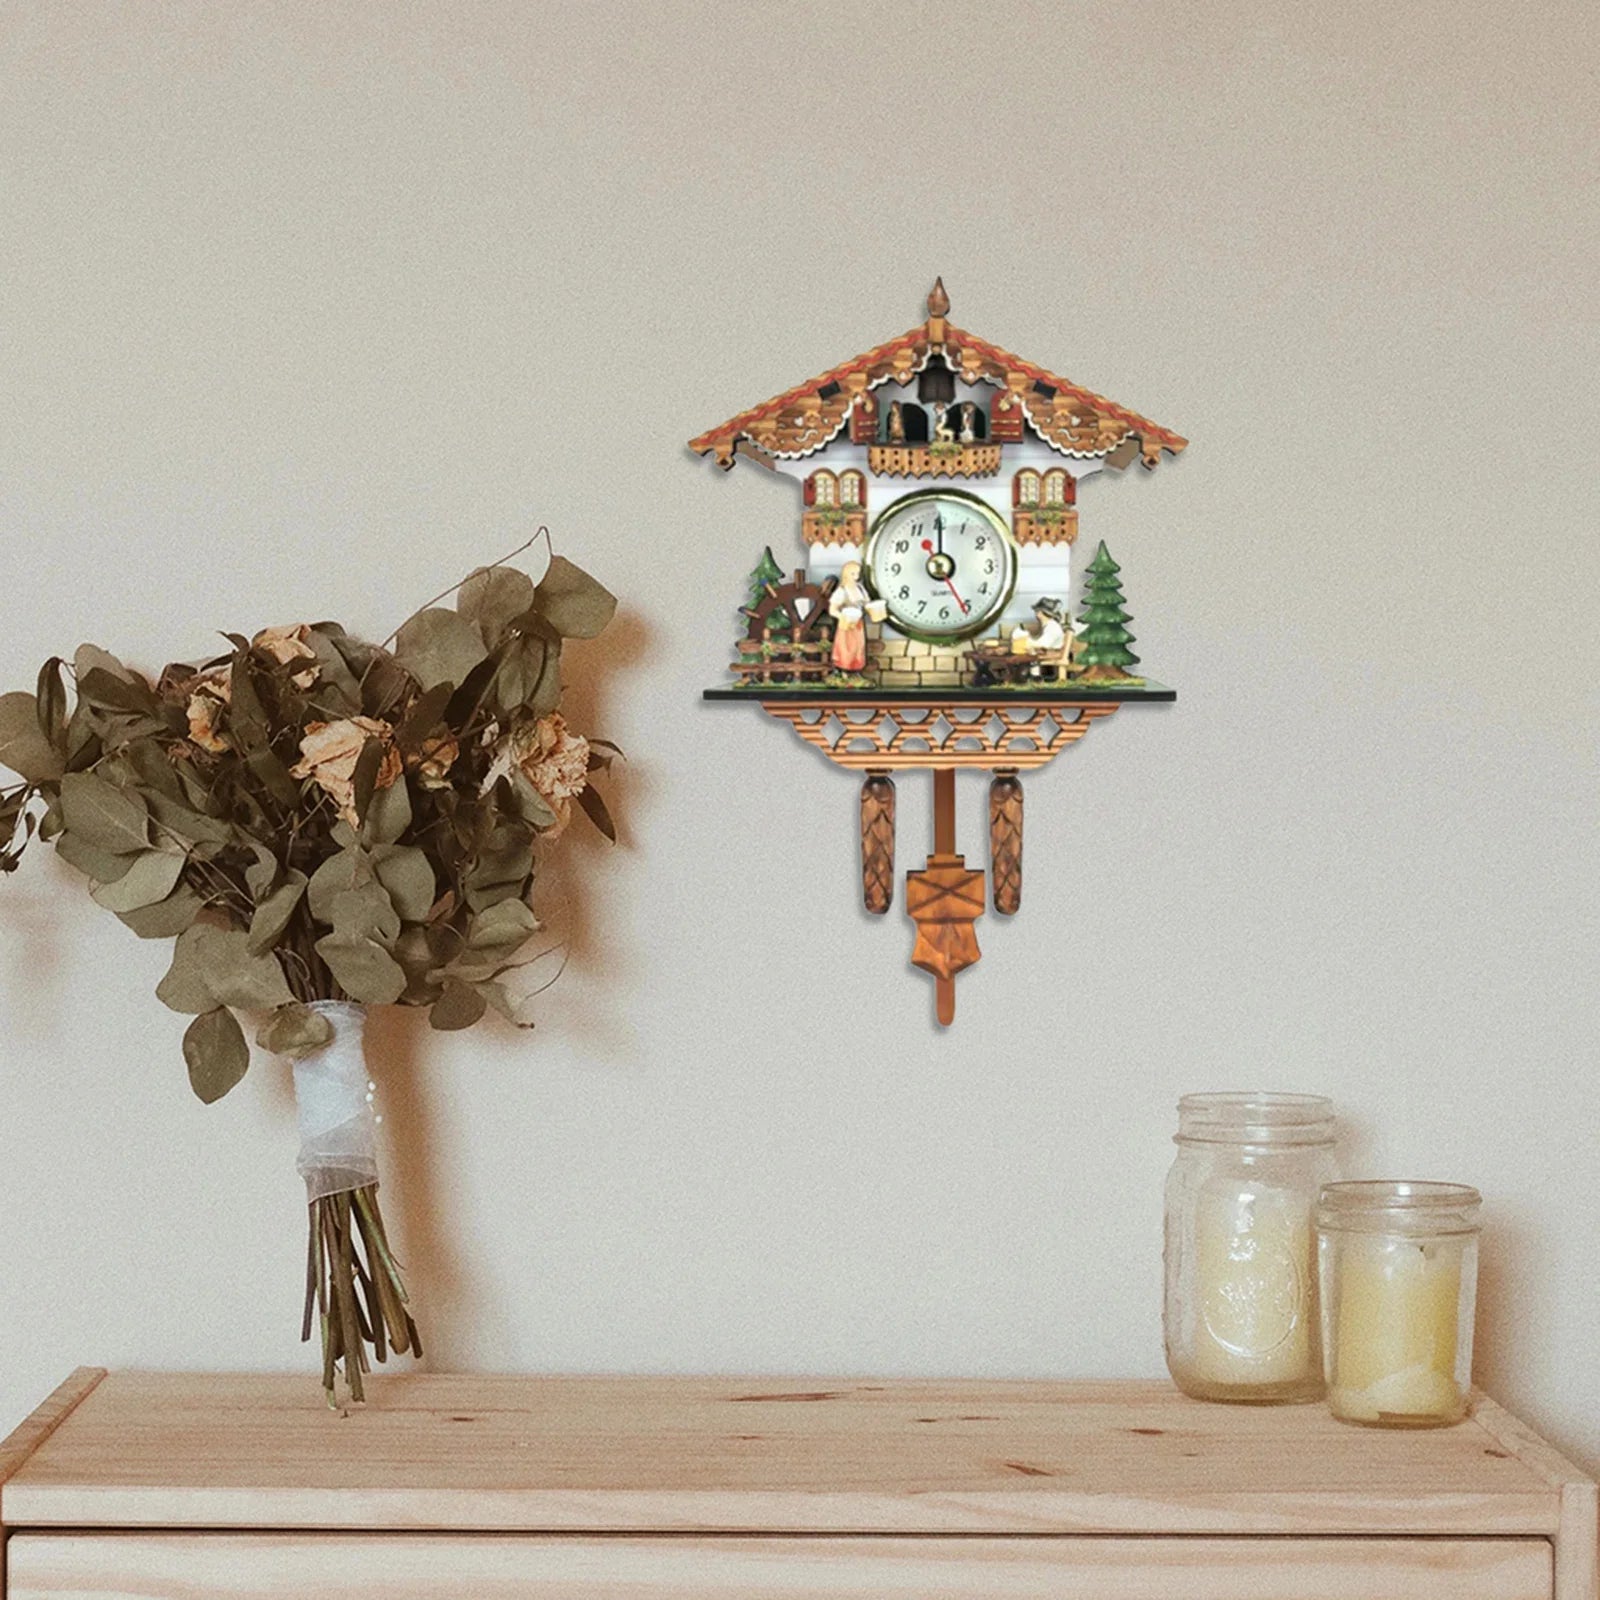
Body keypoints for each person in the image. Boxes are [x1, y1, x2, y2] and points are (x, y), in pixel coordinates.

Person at [828, 560, 875, 673]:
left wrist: (872, 608)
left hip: (858, 624)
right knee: (846, 648)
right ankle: (843, 672)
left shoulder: (860, 588)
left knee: (858, 648)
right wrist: (842, 617)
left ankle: (856, 671)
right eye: (853, 574)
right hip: (846, 624)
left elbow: (866, 603)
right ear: (846, 574)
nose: (856, 577)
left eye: (857, 574)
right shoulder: (842, 591)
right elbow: (832, 610)